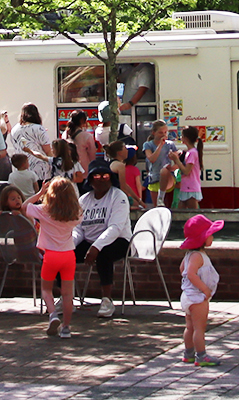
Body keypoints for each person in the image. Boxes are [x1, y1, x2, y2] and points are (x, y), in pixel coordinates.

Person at [25, 177, 83, 338]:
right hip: (69, 255)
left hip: (50, 255)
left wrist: (40, 192)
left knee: (46, 289)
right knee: (67, 294)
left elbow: (24, 207)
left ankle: (53, 315)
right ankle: (66, 327)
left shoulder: (44, 211)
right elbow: (79, 213)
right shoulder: (76, 214)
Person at [74, 166, 131, 318]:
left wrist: (96, 247)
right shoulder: (84, 200)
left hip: (119, 241)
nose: (101, 179)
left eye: (105, 175)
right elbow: (78, 228)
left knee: (104, 254)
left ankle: (107, 299)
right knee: (64, 252)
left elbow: (115, 228)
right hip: (90, 241)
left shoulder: (119, 197)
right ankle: (64, 297)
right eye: (96, 176)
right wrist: (70, 244)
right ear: (90, 180)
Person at [178, 214, 223, 367]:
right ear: (202, 238)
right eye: (210, 235)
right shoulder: (198, 256)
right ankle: (201, 355)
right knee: (199, 328)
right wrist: (204, 288)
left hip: (188, 296)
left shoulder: (190, 254)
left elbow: (182, 269)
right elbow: (190, 274)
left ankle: (188, 353)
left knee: (189, 327)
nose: (212, 237)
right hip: (197, 297)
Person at [9, 104, 55, 181]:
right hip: (40, 170)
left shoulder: (15, 129)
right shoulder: (39, 129)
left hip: (20, 169)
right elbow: (47, 151)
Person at [142, 121, 180, 207]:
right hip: (154, 178)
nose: (163, 135)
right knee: (157, 208)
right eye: (160, 133)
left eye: (165, 132)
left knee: (164, 170)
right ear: (153, 133)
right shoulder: (148, 145)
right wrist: (160, 145)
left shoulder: (170, 144)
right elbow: (152, 159)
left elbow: (179, 161)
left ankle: (161, 197)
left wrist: (173, 167)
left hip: (167, 178)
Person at [175, 127, 204, 209]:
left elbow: (187, 171)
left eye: (182, 136)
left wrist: (176, 160)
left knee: (193, 214)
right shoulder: (190, 152)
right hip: (186, 187)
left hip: (191, 188)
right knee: (180, 214)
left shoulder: (192, 153)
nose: (181, 137)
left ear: (186, 138)